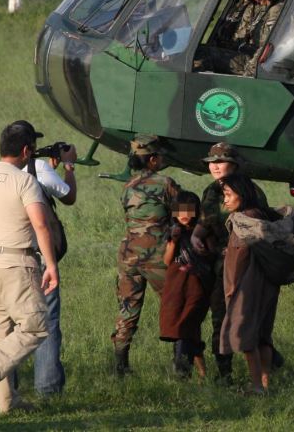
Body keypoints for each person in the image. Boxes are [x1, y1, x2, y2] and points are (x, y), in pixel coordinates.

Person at [0, 121, 59, 416]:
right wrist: (51, 265)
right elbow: (40, 224)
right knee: (35, 326)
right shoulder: (24, 181)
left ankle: (5, 403)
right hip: (16, 264)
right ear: (27, 150)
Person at [191, 142, 271, 383]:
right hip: (220, 266)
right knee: (221, 318)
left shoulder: (250, 191)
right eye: (211, 163)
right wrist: (196, 235)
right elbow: (207, 220)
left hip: (247, 263)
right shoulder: (211, 191)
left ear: (234, 164)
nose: (215, 167)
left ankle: (261, 376)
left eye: (220, 162)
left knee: (251, 319)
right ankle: (225, 373)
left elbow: (262, 225)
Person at [112, 134, 181, 376]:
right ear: (152, 159)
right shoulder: (166, 183)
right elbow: (186, 213)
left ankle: (121, 366)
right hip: (159, 255)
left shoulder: (127, 187)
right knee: (175, 306)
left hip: (129, 254)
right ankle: (181, 364)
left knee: (128, 308)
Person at [218, 174, 283, 395]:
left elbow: (240, 255)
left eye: (228, 195)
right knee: (264, 335)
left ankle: (256, 385)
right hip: (268, 282)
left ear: (241, 195)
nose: (225, 200)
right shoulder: (261, 215)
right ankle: (265, 384)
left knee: (245, 336)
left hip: (247, 285)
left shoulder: (242, 220)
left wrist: (231, 288)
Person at [25, 145, 78, 398]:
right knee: (47, 321)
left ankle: (6, 390)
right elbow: (68, 197)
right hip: (40, 260)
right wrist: (68, 167)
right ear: (28, 148)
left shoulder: (0, 173)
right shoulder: (39, 169)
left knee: (12, 325)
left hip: (9, 261)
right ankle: (47, 390)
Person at [159, 191, 212, 378]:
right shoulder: (172, 230)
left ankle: (182, 371)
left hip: (197, 285)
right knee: (187, 329)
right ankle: (202, 374)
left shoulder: (202, 230)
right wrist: (173, 240)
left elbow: (209, 255)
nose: (185, 215)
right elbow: (167, 261)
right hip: (176, 286)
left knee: (185, 326)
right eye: (181, 211)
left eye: (189, 211)